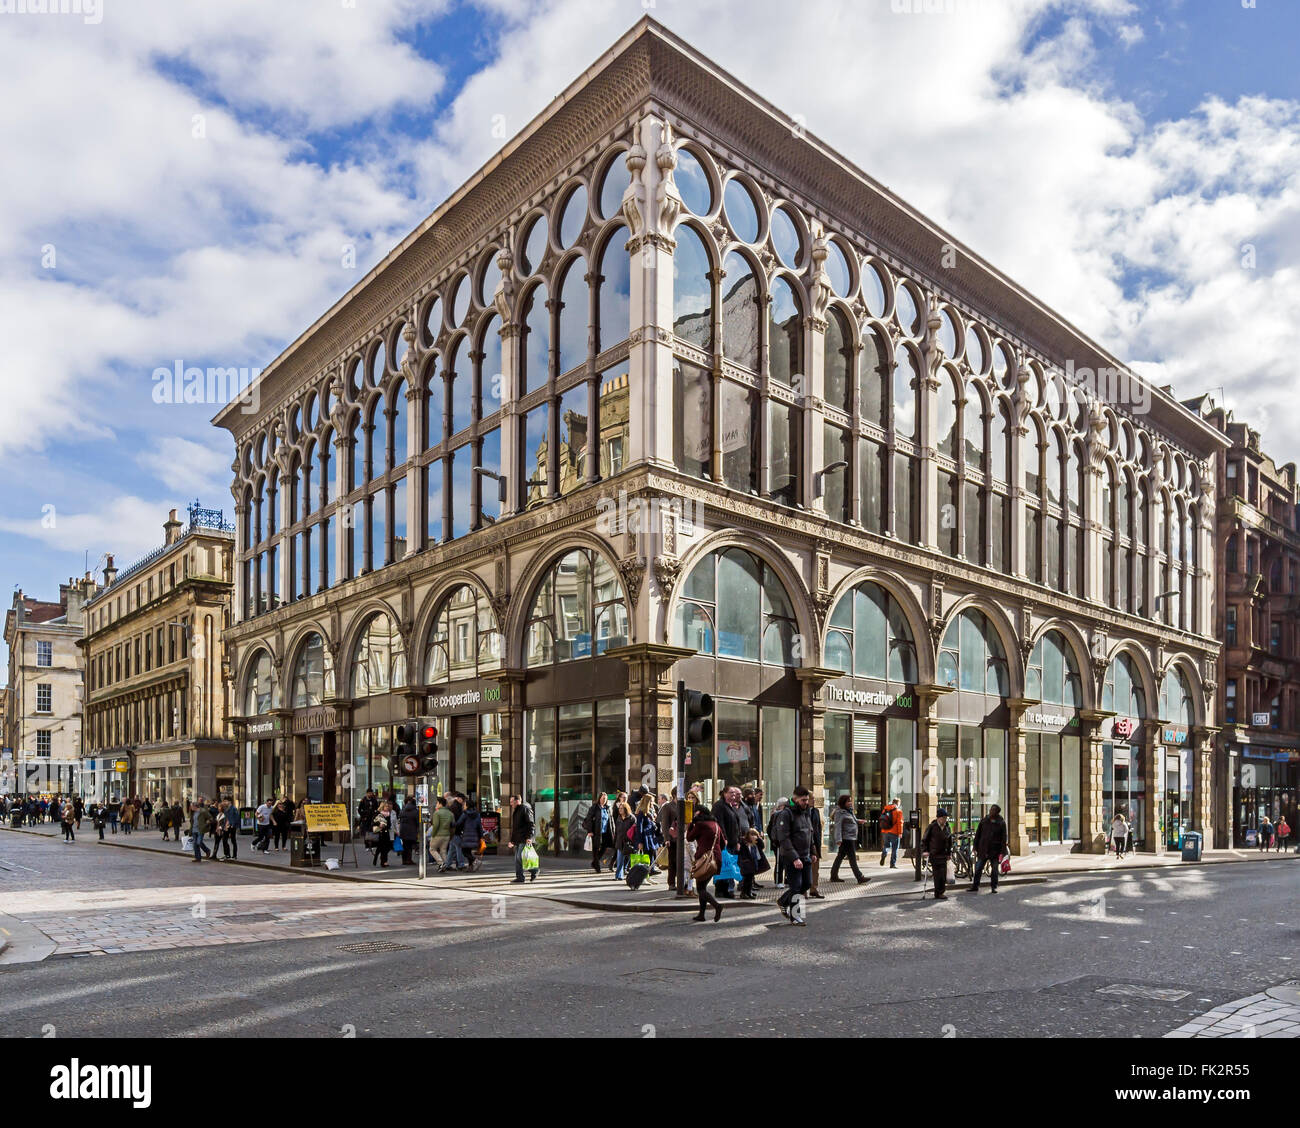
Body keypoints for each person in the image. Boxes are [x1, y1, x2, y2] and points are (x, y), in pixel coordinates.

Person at [774, 787, 815, 924]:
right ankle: (796, 916)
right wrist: (795, 857)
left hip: (806, 855)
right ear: (795, 798)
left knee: (807, 883)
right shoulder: (786, 814)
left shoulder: (806, 812)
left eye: (807, 800)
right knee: (796, 887)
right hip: (792, 856)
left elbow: (809, 832)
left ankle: (783, 901)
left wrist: (813, 851)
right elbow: (783, 838)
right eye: (803, 800)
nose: (805, 802)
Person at [685, 806, 723, 923]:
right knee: (702, 886)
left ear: (699, 813)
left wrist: (691, 824)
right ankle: (701, 914)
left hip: (704, 859)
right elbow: (722, 843)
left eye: (695, 813)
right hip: (716, 859)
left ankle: (717, 906)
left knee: (701, 888)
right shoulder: (716, 825)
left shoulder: (701, 825)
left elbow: (689, 837)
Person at [829, 794, 870, 884]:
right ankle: (859, 877)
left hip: (850, 837)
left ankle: (833, 876)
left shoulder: (849, 811)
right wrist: (838, 839)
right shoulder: (840, 813)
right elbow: (838, 826)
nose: (850, 803)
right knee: (852, 858)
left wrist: (859, 821)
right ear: (843, 803)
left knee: (840, 857)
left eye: (850, 801)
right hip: (846, 839)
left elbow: (853, 820)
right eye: (848, 801)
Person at [711, 787, 743, 899]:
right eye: (731, 793)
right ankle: (721, 890)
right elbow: (719, 823)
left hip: (733, 842)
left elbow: (737, 825)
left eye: (734, 793)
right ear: (724, 793)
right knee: (723, 866)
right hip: (724, 842)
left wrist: (738, 840)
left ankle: (728, 889)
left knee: (730, 867)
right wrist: (723, 838)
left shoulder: (731, 806)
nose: (733, 795)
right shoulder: (719, 806)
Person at [970, 804, 1008, 893]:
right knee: (978, 868)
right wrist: (975, 847)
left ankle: (994, 886)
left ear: (997, 813)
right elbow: (978, 835)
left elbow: (1003, 838)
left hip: (995, 850)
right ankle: (975, 886)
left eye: (993, 810)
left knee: (994, 870)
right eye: (991, 810)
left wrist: (1002, 852)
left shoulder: (1001, 823)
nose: (991, 812)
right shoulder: (984, 821)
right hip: (983, 849)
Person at [921, 807, 954, 900]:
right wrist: (925, 851)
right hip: (934, 853)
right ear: (938, 818)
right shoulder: (932, 827)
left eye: (946, 818)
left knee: (943, 875)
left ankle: (940, 892)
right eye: (943, 817)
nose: (945, 819)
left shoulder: (947, 827)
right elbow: (924, 840)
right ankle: (938, 893)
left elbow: (949, 841)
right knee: (937, 874)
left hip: (943, 854)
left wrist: (949, 853)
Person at [658, 788, 684, 893]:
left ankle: (682, 882)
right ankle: (672, 883)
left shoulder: (684, 805)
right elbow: (665, 824)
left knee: (683, 862)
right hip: (673, 839)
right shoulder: (668, 807)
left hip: (683, 838)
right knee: (672, 861)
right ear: (674, 795)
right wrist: (666, 839)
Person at [508, 794, 537, 883]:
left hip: (524, 838)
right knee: (517, 858)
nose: (510, 804)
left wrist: (529, 837)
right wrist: (512, 841)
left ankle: (534, 870)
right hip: (518, 839)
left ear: (517, 801)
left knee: (520, 857)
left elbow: (531, 824)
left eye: (512, 802)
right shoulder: (516, 811)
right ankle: (520, 877)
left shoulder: (525, 809)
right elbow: (516, 828)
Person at [585, 792, 615, 873]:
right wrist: (590, 831)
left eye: (605, 799)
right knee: (595, 848)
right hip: (596, 832)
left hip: (605, 832)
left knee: (604, 847)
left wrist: (613, 831)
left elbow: (611, 821)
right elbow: (589, 819)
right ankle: (597, 867)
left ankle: (595, 862)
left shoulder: (607, 808)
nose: (604, 800)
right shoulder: (594, 807)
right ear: (599, 798)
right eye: (603, 798)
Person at [634, 794, 661, 874]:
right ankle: (645, 872)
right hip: (645, 837)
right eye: (651, 802)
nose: (653, 803)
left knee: (652, 852)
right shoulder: (641, 813)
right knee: (647, 855)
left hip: (650, 836)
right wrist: (640, 842)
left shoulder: (650, 812)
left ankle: (651, 869)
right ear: (647, 802)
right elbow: (639, 828)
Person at [455, 798, 484, 872]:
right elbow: (479, 826)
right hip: (475, 836)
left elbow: (458, 823)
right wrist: (481, 836)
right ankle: (470, 867)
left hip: (467, 835)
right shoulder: (477, 814)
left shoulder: (465, 814)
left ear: (467, 806)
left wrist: (451, 824)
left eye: (464, 805)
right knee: (468, 851)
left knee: (464, 851)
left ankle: (475, 860)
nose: (463, 806)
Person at [767, 797, 789, 886]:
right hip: (778, 843)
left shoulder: (787, 814)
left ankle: (787, 880)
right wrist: (774, 840)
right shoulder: (775, 815)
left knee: (787, 861)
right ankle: (778, 881)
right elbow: (770, 829)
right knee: (780, 862)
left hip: (785, 842)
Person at [428, 795, 453, 868]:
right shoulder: (450, 813)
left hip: (438, 834)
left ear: (440, 804)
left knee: (432, 849)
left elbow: (435, 825)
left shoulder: (437, 813)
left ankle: (441, 863)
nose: (436, 805)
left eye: (437, 803)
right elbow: (453, 825)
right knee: (443, 850)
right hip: (447, 835)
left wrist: (433, 834)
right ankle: (446, 864)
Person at [612, 801, 635, 880]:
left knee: (630, 861)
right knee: (619, 860)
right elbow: (616, 831)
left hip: (629, 843)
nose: (620, 810)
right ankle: (618, 876)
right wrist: (615, 841)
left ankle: (632, 876)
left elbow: (634, 831)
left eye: (621, 808)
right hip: (620, 842)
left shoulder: (632, 818)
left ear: (626, 809)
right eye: (619, 808)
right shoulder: (618, 818)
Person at [879, 797, 904, 868]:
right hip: (894, 832)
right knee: (895, 848)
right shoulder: (898, 811)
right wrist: (900, 832)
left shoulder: (885, 809)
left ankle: (884, 854)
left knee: (886, 845)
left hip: (884, 831)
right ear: (897, 803)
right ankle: (892, 864)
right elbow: (900, 823)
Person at [371, 800, 395, 867]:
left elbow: (389, 824)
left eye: (388, 806)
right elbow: (373, 822)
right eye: (386, 806)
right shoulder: (377, 813)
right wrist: (379, 824)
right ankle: (378, 859)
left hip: (386, 833)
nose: (387, 807)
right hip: (379, 833)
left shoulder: (388, 814)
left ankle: (383, 861)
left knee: (386, 848)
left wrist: (385, 825)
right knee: (380, 848)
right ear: (382, 807)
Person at [398, 797, 419, 866]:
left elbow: (400, 818)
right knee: (409, 846)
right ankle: (409, 860)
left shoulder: (403, 810)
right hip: (411, 830)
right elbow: (417, 822)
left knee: (404, 845)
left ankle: (404, 860)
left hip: (403, 830)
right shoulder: (415, 811)